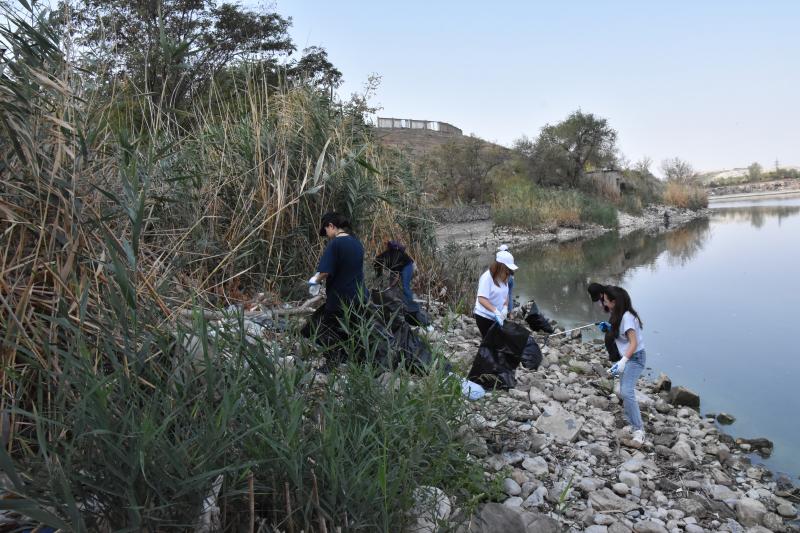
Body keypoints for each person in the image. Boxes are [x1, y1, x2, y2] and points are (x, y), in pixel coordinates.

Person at [602, 286, 647, 447]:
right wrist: (608, 328)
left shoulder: (627, 317)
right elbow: (622, 337)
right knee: (623, 391)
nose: (604, 303)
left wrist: (622, 362)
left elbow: (633, 343)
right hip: (627, 357)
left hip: (635, 358)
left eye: (606, 301)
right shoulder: (618, 315)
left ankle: (639, 431)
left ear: (614, 302)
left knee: (627, 392)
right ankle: (632, 422)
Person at [308, 212, 368, 327]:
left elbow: (325, 272)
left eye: (325, 229)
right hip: (359, 298)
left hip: (339, 301)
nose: (326, 234)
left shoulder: (335, 244)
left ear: (331, 226)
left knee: (328, 333)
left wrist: (314, 280)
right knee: (354, 331)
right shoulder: (357, 243)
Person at [473, 250, 518, 338]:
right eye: (507, 269)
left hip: (498, 317)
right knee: (491, 341)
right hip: (484, 316)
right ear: (501, 266)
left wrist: (505, 307)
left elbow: (506, 294)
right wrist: (495, 311)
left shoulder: (505, 277)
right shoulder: (487, 278)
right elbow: (481, 299)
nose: (509, 272)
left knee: (498, 341)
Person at [374, 240, 419, 313]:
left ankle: (414, 308)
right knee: (393, 289)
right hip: (398, 267)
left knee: (405, 287)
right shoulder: (381, 258)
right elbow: (379, 273)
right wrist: (381, 283)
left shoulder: (395, 257)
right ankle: (397, 306)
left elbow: (396, 276)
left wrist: (391, 285)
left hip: (407, 266)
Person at [587, 282, 621, 362]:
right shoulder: (603, 294)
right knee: (609, 336)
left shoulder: (611, 293)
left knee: (612, 337)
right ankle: (614, 359)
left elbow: (619, 310)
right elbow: (609, 311)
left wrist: (613, 327)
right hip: (615, 315)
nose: (603, 302)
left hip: (620, 315)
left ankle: (618, 359)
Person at [497, 245, 515, 315]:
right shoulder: (510, 256)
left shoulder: (499, 256)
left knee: (502, 294)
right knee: (509, 294)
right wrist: (512, 277)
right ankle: (510, 313)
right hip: (511, 277)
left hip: (504, 277)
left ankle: (501, 312)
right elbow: (512, 268)